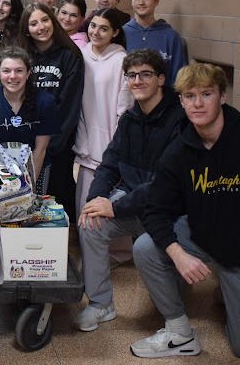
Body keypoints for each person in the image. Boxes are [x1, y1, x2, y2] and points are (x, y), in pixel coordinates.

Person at [129, 63, 240, 359]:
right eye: (189, 95)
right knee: (146, 247)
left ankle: (233, 289)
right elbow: (155, 209)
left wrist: (229, 259)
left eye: (206, 93)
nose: (197, 103)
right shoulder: (178, 151)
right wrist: (178, 254)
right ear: (180, 101)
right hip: (209, 235)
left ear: (222, 97)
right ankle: (179, 331)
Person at [75, 49, 185, 333]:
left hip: (168, 210)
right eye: (131, 75)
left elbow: (165, 184)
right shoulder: (130, 119)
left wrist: (116, 207)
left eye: (145, 74)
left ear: (161, 79)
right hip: (132, 201)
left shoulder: (180, 120)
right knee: (90, 223)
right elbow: (109, 164)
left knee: (146, 248)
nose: (137, 81)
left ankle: (174, 302)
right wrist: (95, 200)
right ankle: (101, 304)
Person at [20, 3, 85, 218]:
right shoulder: (24, 56)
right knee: (25, 199)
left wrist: (52, 143)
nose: (41, 27)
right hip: (27, 142)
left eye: (45, 20)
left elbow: (70, 104)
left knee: (56, 201)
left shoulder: (70, 55)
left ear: (53, 21)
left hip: (58, 143)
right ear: (26, 29)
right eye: (33, 23)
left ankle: (57, 247)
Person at [73, 8, 133, 216]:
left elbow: (125, 108)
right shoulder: (80, 55)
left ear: (115, 32)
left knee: (109, 208)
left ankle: (119, 251)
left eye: (104, 28)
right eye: (93, 26)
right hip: (86, 144)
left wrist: (115, 145)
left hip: (110, 144)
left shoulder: (121, 60)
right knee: (84, 208)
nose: (96, 32)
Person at [0, 47, 59, 184]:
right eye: (6, 71)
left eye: (19, 71)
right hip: (1, 171)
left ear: (28, 73)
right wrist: (9, 185)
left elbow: (40, 149)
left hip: (36, 169)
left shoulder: (45, 102)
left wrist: (28, 184)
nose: (12, 76)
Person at [123, 0, 189, 88]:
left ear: (156, 1)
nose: (141, 2)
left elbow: (178, 77)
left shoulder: (171, 36)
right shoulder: (122, 33)